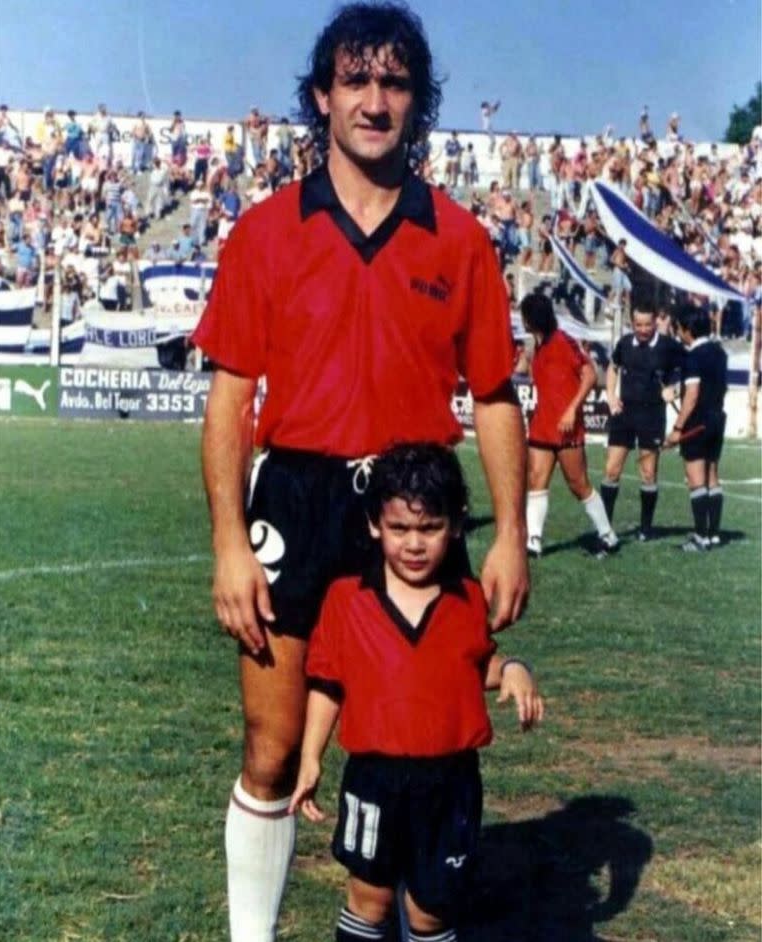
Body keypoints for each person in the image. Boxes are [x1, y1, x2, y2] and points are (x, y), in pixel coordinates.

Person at [192, 4, 529, 940]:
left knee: (426, 747)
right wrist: (228, 542)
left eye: (395, 83)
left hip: (412, 509)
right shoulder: (266, 232)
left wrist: (510, 533)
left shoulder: (459, 238)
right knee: (270, 749)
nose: (375, 101)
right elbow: (230, 398)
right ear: (322, 96)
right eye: (357, 80)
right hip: (295, 499)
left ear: (417, 103)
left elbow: (497, 393)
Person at [288, 442, 543, 942]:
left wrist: (511, 667)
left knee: (431, 911)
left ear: (454, 525)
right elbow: (327, 682)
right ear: (374, 525)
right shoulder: (347, 599)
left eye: (428, 528)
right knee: (369, 900)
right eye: (400, 528)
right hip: (375, 779)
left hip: (450, 782)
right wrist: (311, 757)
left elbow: (473, 664)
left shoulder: (467, 599)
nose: (413, 544)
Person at [520, 292, 618, 559]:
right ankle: (534, 541)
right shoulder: (536, 347)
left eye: (525, 316)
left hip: (566, 426)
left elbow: (589, 373)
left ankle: (608, 535)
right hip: (542, 424)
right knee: (536, 480)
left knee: (578, 484)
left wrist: (572, 410)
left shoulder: (563, 341)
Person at [600, 298, 683, 541]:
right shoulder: (624, 344)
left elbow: (688, 371)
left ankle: (646, 529)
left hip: (652, 415)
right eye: (638, 324)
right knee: (611, 470)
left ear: (656, 321)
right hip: (624, 415)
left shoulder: (668, 346)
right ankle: (605, 528)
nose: (643, 329)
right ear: (632, 322)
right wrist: (611, 397)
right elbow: (613, 367)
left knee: (648, 473)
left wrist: (674, 390)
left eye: (647, 324)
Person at [665, 303, 728, 552]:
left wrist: (678, 428)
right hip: (717, 419)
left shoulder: (693, 356)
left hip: (697, 422)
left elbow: (692, 395)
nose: (678, 332)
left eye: (679, 327)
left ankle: (700, 537)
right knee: (712, 475)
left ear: (687, 329)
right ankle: (713, 534)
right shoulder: (719, 352)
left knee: (696, 478)